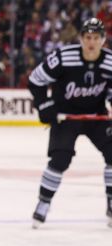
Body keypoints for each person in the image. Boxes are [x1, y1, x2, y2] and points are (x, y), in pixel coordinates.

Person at [28, 17, 112, 228]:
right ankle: (43, 203)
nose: (91, 42)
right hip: (65, 117)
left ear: (103, 40)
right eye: (87, 37)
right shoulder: (63, 58)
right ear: (81, 39)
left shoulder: (111, 62)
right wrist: (44, 106)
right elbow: (35, 80)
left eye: (96, 38)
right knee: (60, 160)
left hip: (96, 116)